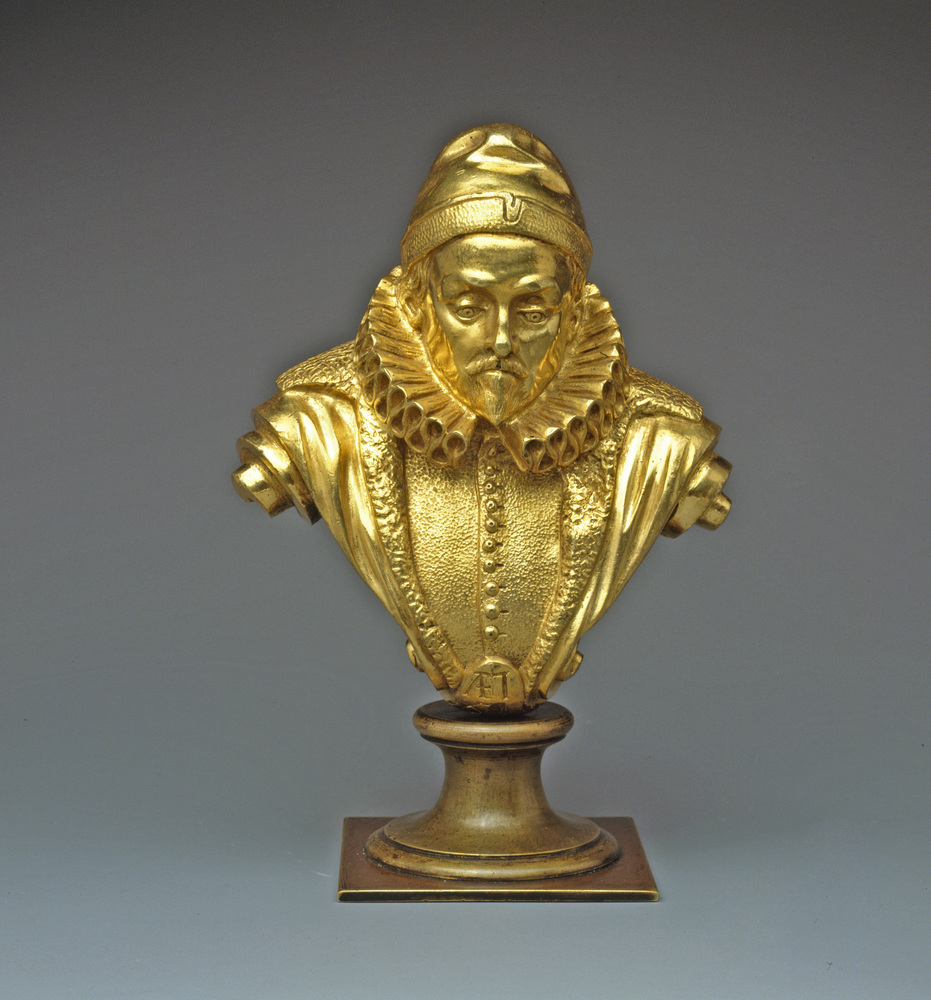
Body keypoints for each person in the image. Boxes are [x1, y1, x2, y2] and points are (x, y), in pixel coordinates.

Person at [233, 124, 731, 713]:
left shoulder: (661, 440)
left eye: (533, 311)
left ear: (573, 312)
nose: (499, 340)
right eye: (468, 307)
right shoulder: (318, 422)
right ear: (417, 303)